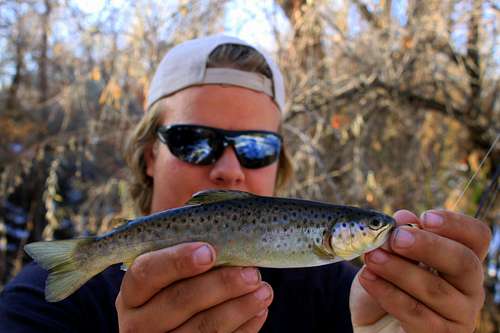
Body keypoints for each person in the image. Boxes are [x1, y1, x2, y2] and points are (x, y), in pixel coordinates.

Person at [0, 35, 491, 333]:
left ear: (280, 163)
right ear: (150, 156)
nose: (230, 170)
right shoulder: (40, 305)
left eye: (257, 147)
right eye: (195, 141)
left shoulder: (349, 301)